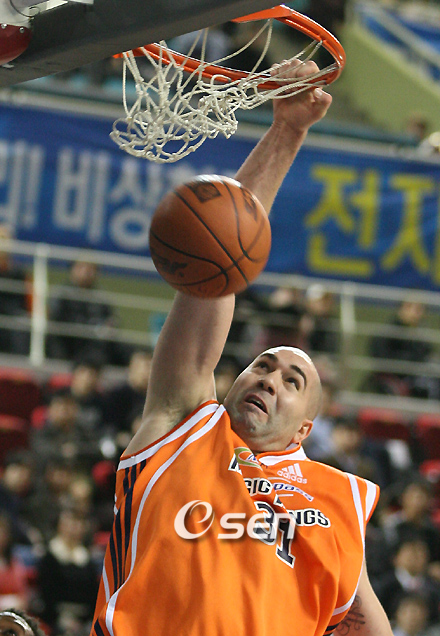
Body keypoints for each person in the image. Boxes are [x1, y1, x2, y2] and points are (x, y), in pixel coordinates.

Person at [91, 60, 393, 636]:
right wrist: (286, 132)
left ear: (305, 430)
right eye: (262, 366)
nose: (269, 379)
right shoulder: (184, 428)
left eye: (291, 382)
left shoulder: (335, 498)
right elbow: (221, 255)